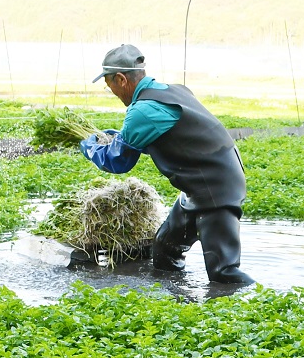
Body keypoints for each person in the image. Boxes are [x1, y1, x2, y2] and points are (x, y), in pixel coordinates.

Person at [79, 43, 253, 285]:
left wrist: (89, 148)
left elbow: (118, 161)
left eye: (110, 87)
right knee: (165, 250)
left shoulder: (143, 111)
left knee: (224, 272)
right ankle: (178, 304)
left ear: (121, 79)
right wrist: (117, 137)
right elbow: (159, 134)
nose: (114, 94)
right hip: (200, 186)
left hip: (216, 189)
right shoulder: (174, 91)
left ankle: (265, 306)